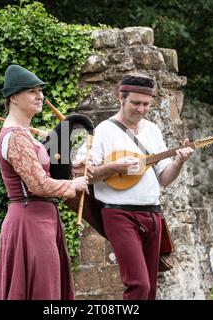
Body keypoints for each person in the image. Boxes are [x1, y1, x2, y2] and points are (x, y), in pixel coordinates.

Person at [73, 73, 194, 300]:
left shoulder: (153, 131)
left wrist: (179, 162)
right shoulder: (103, 131)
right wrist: (114, 167)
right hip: (118, 214)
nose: (141, 109)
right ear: (121, 98)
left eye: (146, 104)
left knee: (150, 288)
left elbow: (165, 179)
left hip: (153, 214)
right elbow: (81, 174)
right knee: (138, 285)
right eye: (135, 103)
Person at [0, 65, 89, 300]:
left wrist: (72, 168)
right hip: (29, 222)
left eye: (40, 91)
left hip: (41, 220)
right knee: (42, 292)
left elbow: (42, 169)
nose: (40, 96)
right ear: (13, 97)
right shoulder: (16, 137)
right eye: (32, 91)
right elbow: (38, 185)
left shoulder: (25, 134)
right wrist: (72, 187)